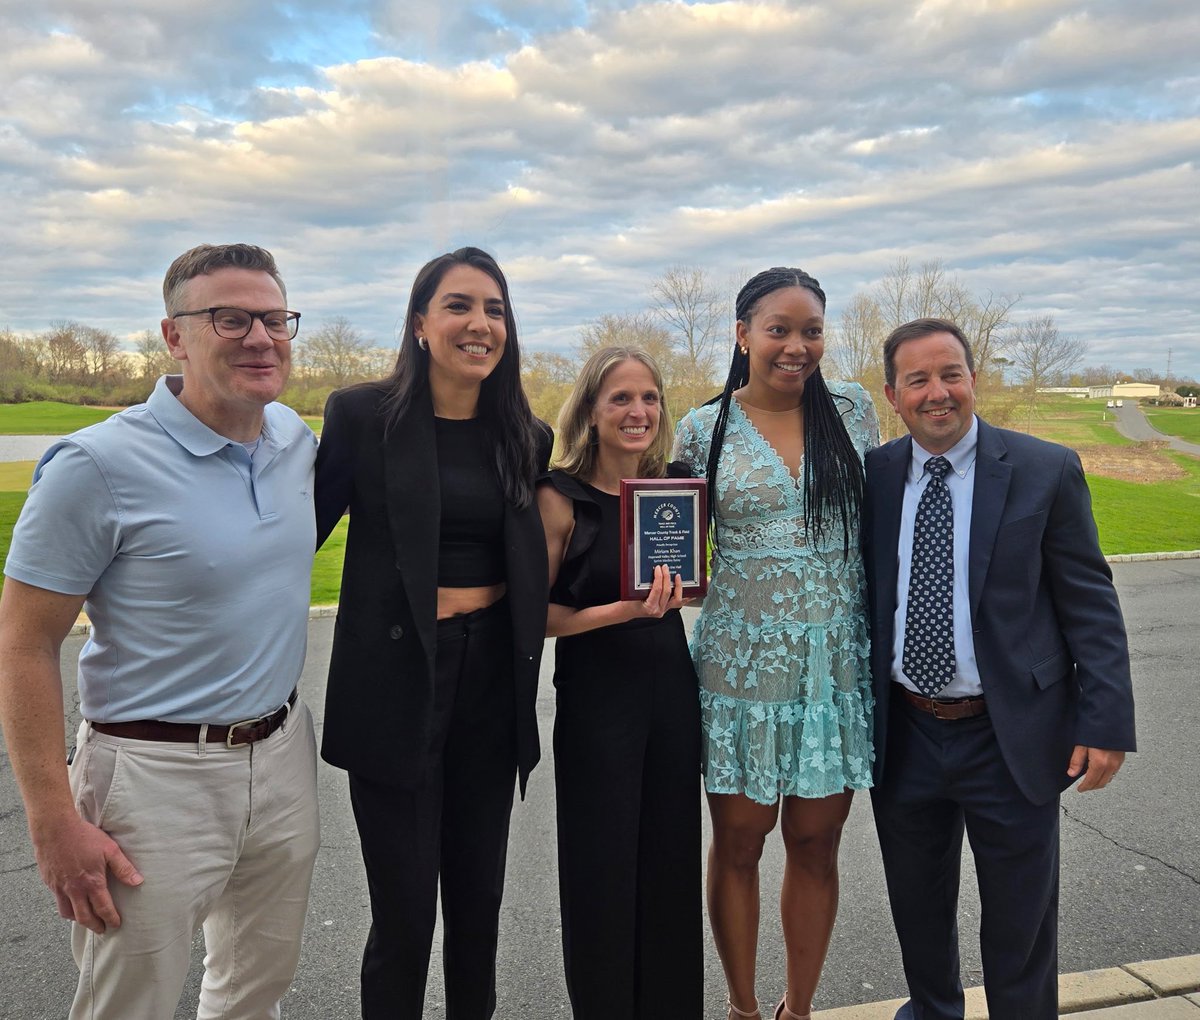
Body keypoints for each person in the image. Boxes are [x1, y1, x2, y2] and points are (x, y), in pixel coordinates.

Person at [0, 243, 320, 1019]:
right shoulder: (96, 464)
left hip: (282, 758)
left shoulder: (293, 442)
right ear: (175, 336)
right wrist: (52, 821)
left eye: (276, 320)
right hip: (152, 776)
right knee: (128, 1000)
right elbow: (22, 641)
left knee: (254, 989)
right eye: (230, 319)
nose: (260, 338)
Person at [863, 317, 1137, 1020]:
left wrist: (1105, 721)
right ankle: (932, 1012)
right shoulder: (877, 476)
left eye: (951, 373)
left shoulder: (1045, 469)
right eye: (918, 379)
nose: (938, 392)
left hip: (1011, 733)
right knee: (918, 909)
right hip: (907, 734)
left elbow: (1091, 604)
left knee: (1020, 923)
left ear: (974, 380)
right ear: (893, 393)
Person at [315, 246, 551, 1019]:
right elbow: (292, 541)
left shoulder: (527, 434)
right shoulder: (361, 417)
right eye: (459, 306)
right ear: (420, 323)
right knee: (407, 913)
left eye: (495, 309)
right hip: (394, 686)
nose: (480, 324)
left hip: (491, 682)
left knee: (478, 907)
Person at [674, 267, 879, 1020]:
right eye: (779, 329)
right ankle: (743, 1006)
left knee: (818, 843)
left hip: (834, 667)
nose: (796, 346)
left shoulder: (854, 412)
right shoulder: (704, 428)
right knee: (738, 842)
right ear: (742, 335)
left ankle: (799, 1008)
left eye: (811, 330)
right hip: (741, 669)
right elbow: (676, 549)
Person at [537, 347, 703, 1017]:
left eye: (649, 398)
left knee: (669, 866)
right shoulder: (560, 495)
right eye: (621, 399)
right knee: (601, 871)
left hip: (669, 689)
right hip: (597, 696)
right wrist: (625, 610)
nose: (638, 412)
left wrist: (697, 590)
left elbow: (687, 585)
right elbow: (537, 616)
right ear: (591, 411)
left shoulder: (677, 486)